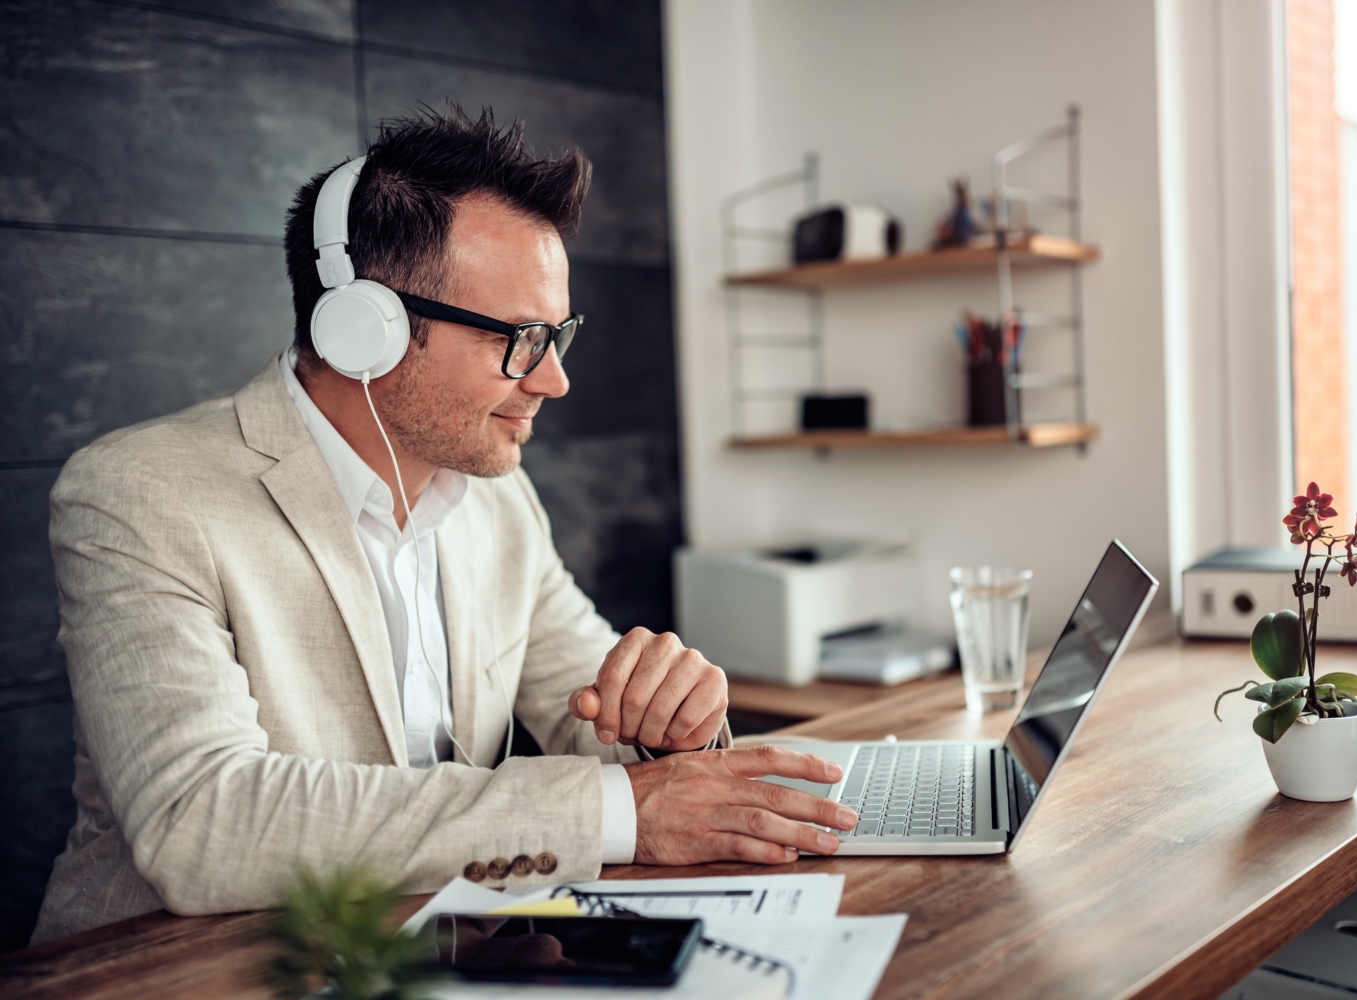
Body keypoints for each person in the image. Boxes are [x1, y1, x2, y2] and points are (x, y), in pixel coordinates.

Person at [31, 106, 856, 944]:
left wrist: (668, 728)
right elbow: (202, 821)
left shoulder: (497, 496)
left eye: (558, 334)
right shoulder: (139, 495)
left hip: (442, 960)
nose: (554, 381)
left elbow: (592, 711)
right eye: (524, 339)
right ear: (365, 329)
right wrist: (620, 808)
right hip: (180, 972)